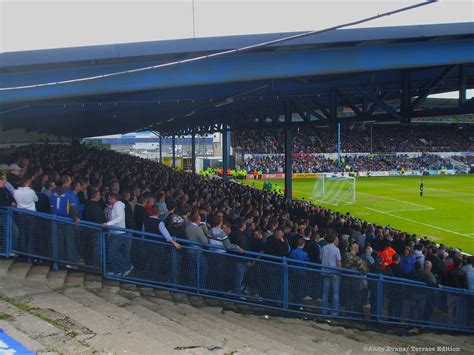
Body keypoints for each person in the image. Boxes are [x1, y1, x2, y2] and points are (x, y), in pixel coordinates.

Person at [103, 192, 133, 276]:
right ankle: (117, 270)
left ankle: (127, 267)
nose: (108, 200)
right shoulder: (115, 206)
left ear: (113, 198)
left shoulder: (118, 206)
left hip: (119, 233)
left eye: (109, 199)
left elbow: (120, 218)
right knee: (112, 252)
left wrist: (108, 224)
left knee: (113, 252)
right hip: (115, 232)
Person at [82, 189, 106, 266]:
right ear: (95, 196)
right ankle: (96, 265)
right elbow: (98, 219)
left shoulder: (88, 204)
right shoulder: (94, 206)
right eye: (99, 195)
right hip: (96, 229)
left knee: (92, 247)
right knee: (96, 248)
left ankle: (92, 264)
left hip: (90, 229)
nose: (100, 197)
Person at [185, 214, 209, 289]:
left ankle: (192, 287)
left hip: (189, 250)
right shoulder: (198, 229)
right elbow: (205, 241)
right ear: (197, 220)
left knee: (192, 269)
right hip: (197, 251)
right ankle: (200, 288)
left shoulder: (187, 227)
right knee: (203, 268)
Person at [321, 234, 342, 316]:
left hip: (325, 271)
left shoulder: (323, 248)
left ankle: (324, 311)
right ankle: (334, 312)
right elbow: (339, 262)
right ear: (334, 240)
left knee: (325, 292)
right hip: (334, 273)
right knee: (335, 292)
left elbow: (320, 258)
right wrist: (340, 270)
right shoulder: (336, 249)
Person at [445, 257, 468, 325]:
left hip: (451, 293)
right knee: (458, 310)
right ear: (460, 264)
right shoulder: (463, 272)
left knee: (450, 309)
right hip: (459, 294)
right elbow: (465, 285)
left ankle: (449, 325)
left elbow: (447, 282)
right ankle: (458, 325)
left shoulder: (450, 271)